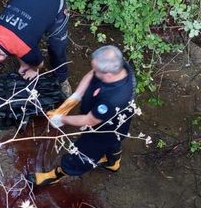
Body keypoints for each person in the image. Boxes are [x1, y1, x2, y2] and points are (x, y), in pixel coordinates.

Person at [26, 45, 137, 187]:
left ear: (108, 74)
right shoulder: (119, 67)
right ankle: (113, 162)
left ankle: (56, 175)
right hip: (118, 122)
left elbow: (89, 120)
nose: (93, 72)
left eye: (97, 70)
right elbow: (91, 74)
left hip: (102, 131)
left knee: (81, 155)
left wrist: (61, 119)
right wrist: (74, 98)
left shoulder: (114, 98)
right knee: (115, 140)